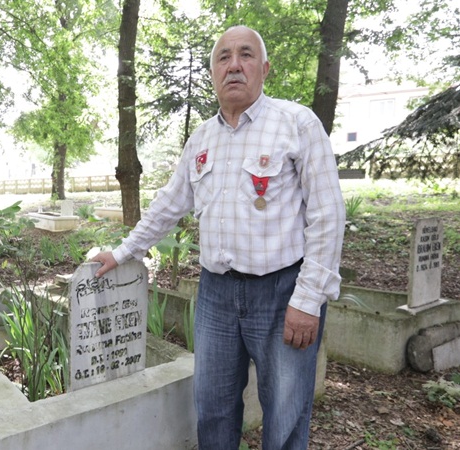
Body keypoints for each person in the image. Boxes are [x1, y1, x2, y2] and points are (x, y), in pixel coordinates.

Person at [91, 25, 345, 449]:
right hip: (216, 297)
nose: (234, 65)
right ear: (212, 73)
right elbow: (169, 205)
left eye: (245, 55)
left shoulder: (296, 124)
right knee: (213, 410)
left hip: (282, 294)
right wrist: (121, 252)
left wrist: (308, 299)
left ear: (264, 68)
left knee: (285, 417)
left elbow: (328, 215)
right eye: (223, 57)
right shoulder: (202, 139)